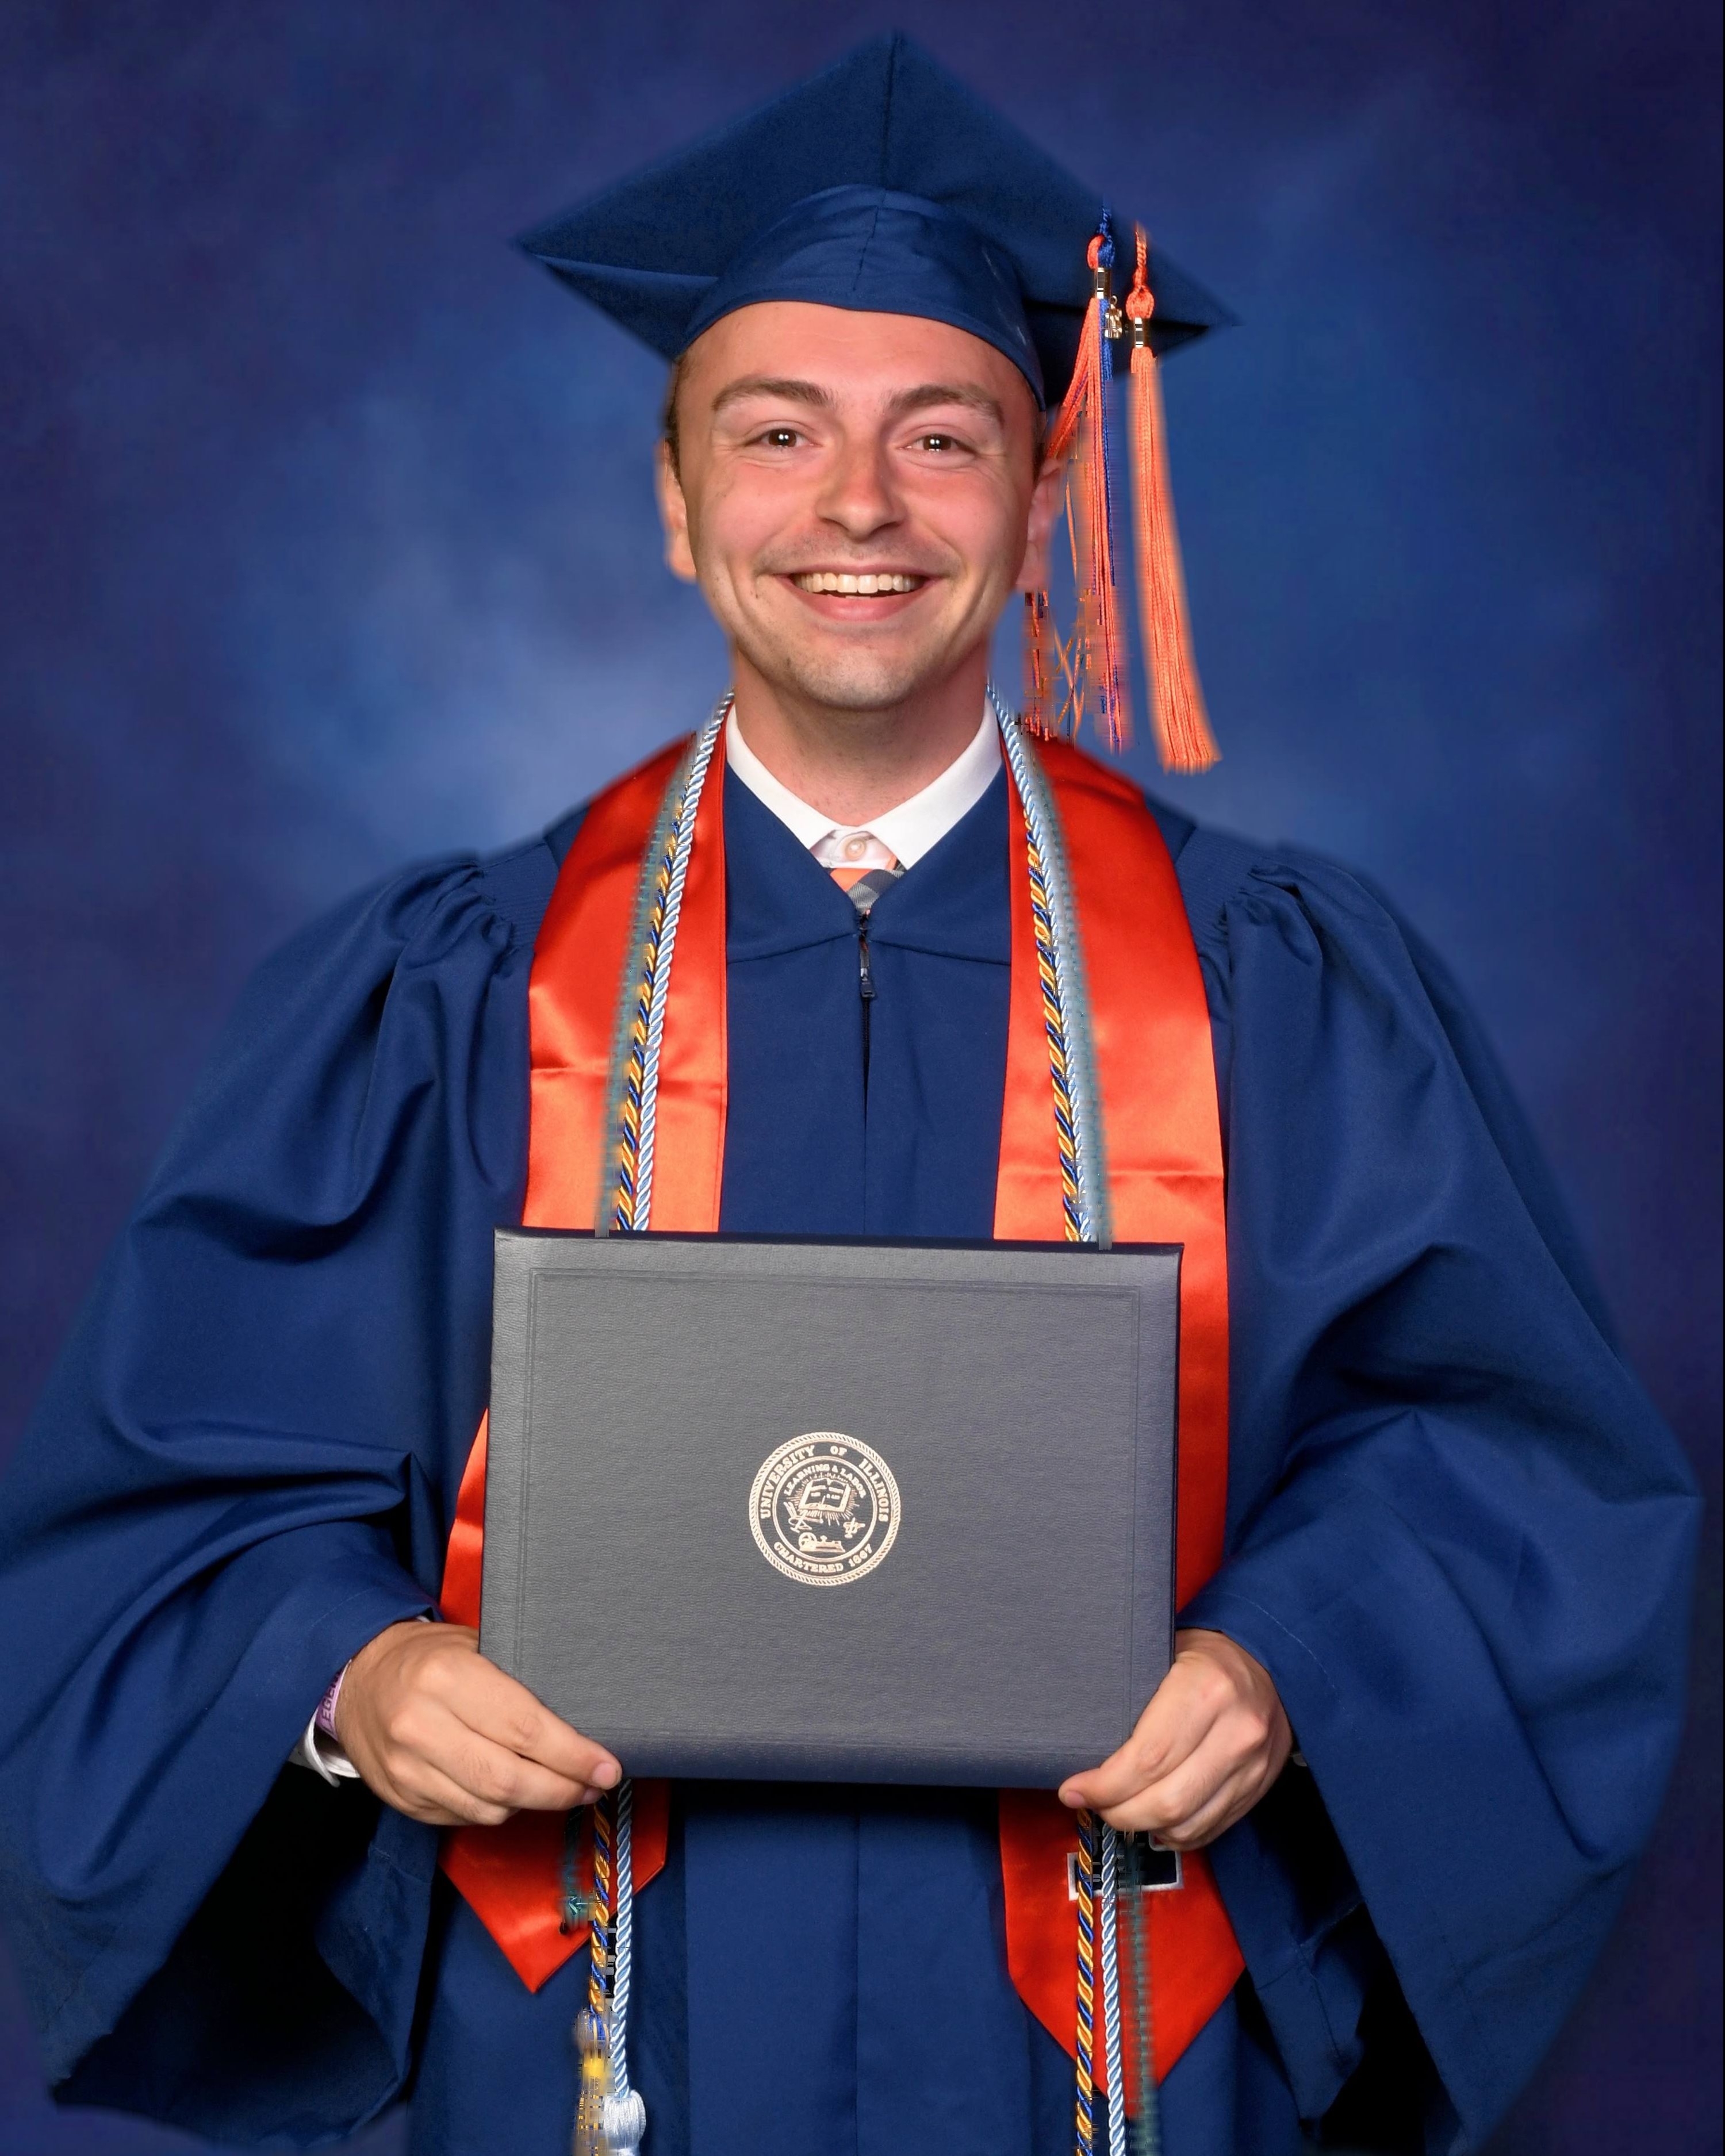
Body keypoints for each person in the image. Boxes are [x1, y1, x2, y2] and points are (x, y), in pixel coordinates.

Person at [0, 34, 1699, 2156]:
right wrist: (351, 1686)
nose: (861, 511)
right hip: (606, 2037)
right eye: (777, 432)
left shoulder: (1281, 981)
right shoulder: (442, 992)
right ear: (675, 497)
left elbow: (1505, 1465)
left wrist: (1286, 1669)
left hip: (1107, 2042)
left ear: (1044, 487)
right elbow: (181, 1492)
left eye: (946, 436)